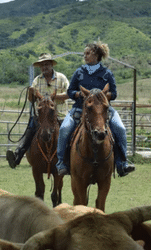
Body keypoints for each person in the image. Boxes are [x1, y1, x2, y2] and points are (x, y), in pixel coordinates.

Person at [55, 41, 135, 177]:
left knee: (120, 128)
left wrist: (101, 96)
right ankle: (61, 163)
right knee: (64, 129)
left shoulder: (107, 73)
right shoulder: (79, 72)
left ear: (97, 55)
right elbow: (70, 91)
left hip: (103, 111)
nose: (85, 56)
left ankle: (122, 163)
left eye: (88, 53)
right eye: (84, 54)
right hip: (79, 109)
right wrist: (79, 94)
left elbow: (114, 94)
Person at [6, 53, 70, 169]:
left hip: (60, 115)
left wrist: (53, 98)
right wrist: (31, 93)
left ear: (51, 65)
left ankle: (72, 161)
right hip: (42, 116)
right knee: (30, 130)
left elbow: (68, 94)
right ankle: (17, 155)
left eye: (46, 64)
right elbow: (32, 100)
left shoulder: (61, 78)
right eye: (42, 65)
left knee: (69, 133)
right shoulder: (37, 80)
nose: (44, 67)